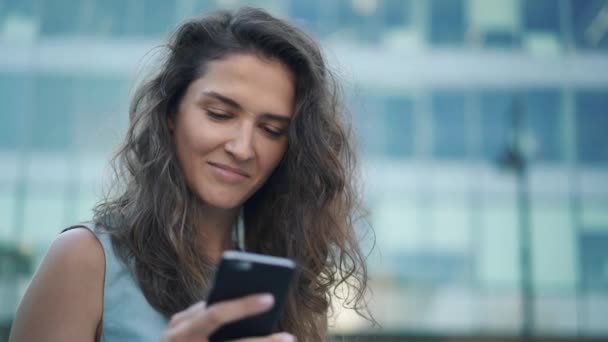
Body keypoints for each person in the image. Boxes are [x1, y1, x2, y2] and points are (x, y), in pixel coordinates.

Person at [9, 6, 373, 342]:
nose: (243, 148)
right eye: (219, 114)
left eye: (272, 130)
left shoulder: (281, 288)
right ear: (172, 112)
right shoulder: (84, 260)